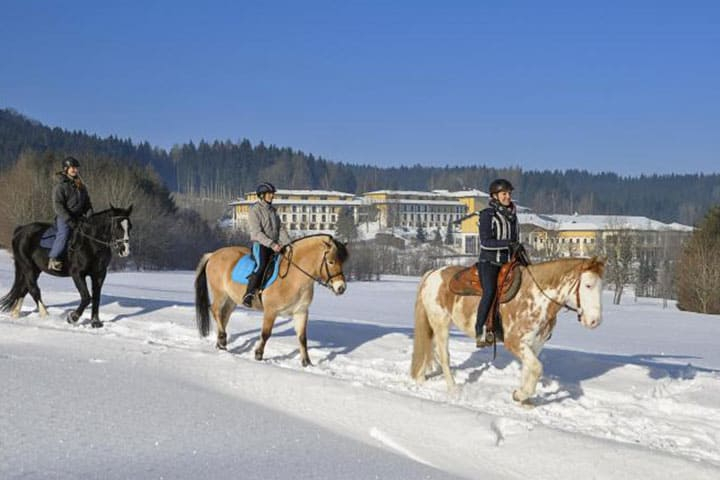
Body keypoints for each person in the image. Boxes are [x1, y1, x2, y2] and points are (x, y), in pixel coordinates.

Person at [475, 178, 520, 347]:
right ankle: (480, 330)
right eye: (504, 194)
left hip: (509, 262)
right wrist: (507, 243)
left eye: (509, 193)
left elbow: (515, 240)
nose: (508, 196)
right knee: (490, 291)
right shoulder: (488, 215)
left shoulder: (513, 216)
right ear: (495, 196)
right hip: (490, 262)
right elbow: (485, 242)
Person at [242, 182, 291, 307]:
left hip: (275, 245)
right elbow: (257, 232)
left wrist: (289, 244)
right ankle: (249, 294)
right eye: (269, 194)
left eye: (272, 194)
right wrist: (272, 244)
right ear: (262, 195)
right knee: (262, 266)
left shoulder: (273, 211)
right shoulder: (255, 210)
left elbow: (280, 229)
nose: (272, 196)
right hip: (261, 245)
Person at [47, 156, 93, 271]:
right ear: (66, 169)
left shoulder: (81, 186)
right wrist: (68, 219)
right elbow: (58, 205)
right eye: (72, 168)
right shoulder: (60, 187)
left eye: (76, 168)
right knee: (64, 234)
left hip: (79, 218)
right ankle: (53, 258)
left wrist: (90, 214)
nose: (75, 170)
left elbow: (87, 203)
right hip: (65, 218)